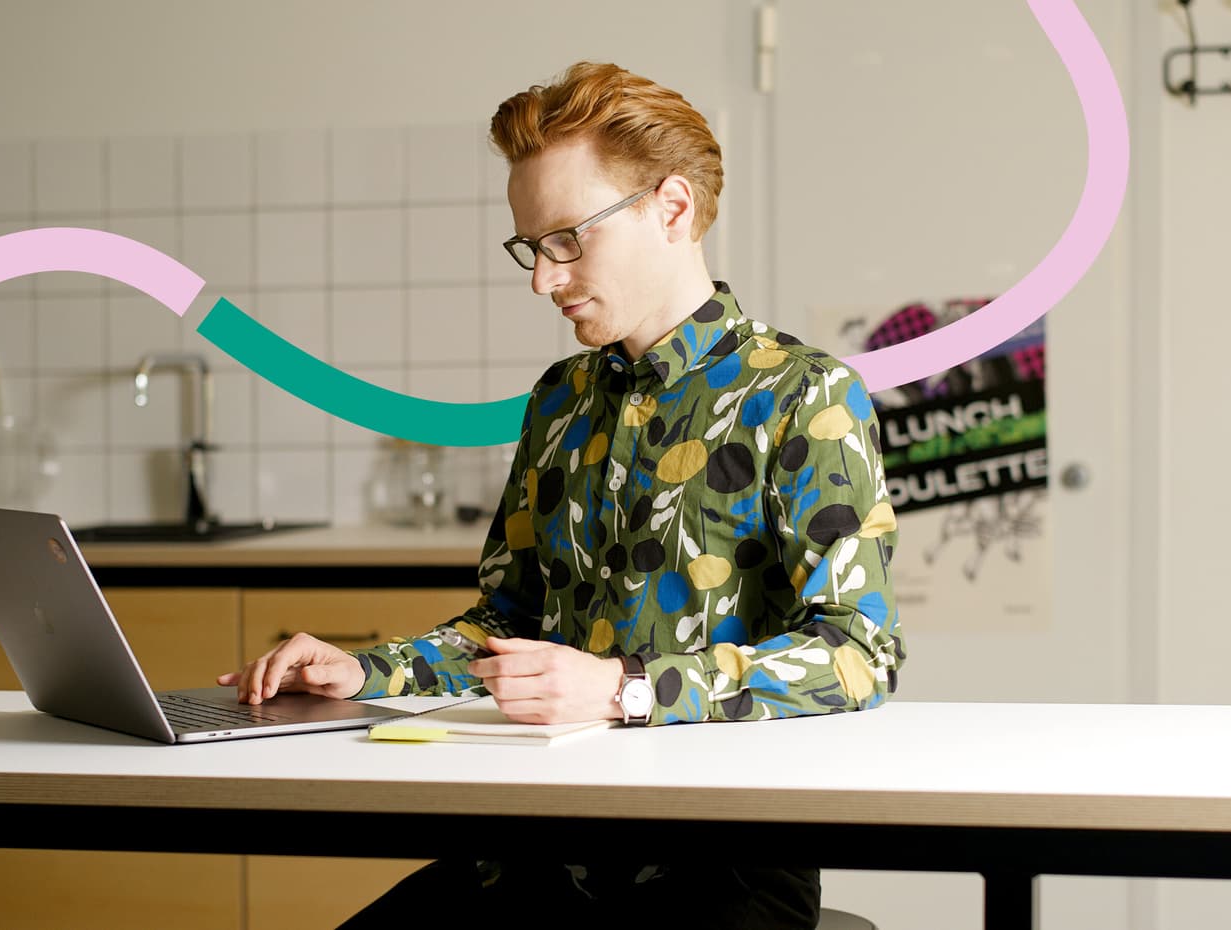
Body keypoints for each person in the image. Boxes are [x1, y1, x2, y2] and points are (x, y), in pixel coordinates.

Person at [218, 60, 904, 930]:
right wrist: (367, 672)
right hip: (535, 855)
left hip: (720, 865)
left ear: (673, 207)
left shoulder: (804, 396)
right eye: (532, 248)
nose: (544, 279)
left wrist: (626, 689)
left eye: (568, 240)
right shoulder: (559, 399)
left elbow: (858, 653)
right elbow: (508, 624)